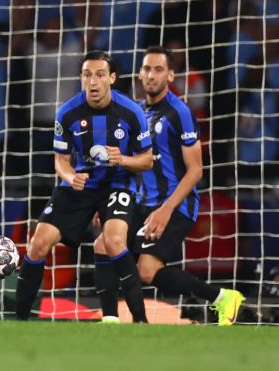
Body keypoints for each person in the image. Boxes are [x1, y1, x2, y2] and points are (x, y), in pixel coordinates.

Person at [93, 46, 244, 325]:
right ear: (140, 73)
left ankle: (223, 298)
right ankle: (110, 321)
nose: (151, 75)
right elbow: (126, 163)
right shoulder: (136, 113)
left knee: (147, 271)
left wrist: (165, 210)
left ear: (171, 75)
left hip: (175, 203)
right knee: (104, 243)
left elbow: (196, 170)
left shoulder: (180, 112)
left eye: (158, 69)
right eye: (147, 69)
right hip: (140, 201)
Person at [15, 50, 152, 322]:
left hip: (117, 183)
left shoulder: (132, 112)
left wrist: (122, 159)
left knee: (113, 241)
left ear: (112, 78)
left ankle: (140, 320)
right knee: (37, 245)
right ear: (81, 78)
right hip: (81, 184)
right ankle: (19, 322)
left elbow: (147, 161)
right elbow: (61, 162)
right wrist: (70, 177)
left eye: (100, 74)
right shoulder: (67, 113)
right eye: (87, 75)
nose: (93, 81)